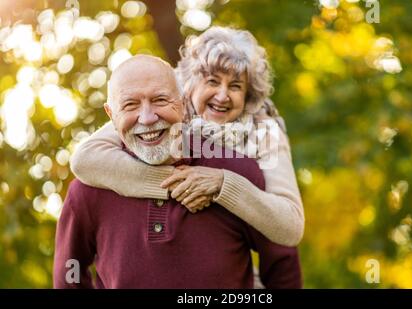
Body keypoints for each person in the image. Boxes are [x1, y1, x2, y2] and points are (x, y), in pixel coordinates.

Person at [53, 55, 301, 288]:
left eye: (160, 100)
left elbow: (282, 264)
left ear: (183, 104)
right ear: (111, 114)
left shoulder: (238, 170)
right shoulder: (88, 190)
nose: (147, 118)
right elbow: (69, 271)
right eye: (130, 105)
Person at [70, 26, 304, 247]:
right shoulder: (162, 109)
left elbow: (291, 226)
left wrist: (222, 184)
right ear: (188, 85)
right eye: (212, 81)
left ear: (248, 95)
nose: (222, 96)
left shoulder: (264, 130)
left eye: (235, 86)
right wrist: (177, 185)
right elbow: (85, 159)